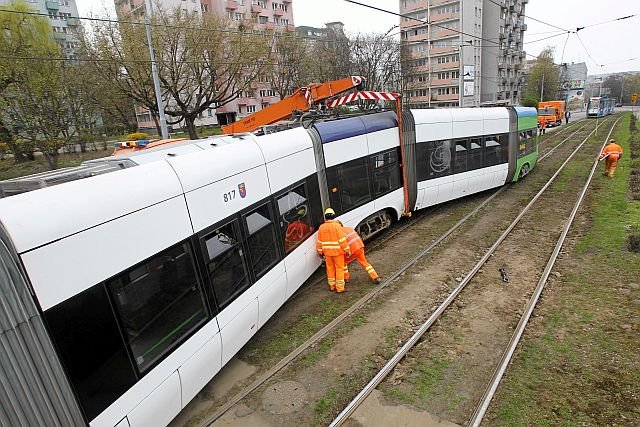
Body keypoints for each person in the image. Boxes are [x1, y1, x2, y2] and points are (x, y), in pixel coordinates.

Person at [316, 208, 350, 292]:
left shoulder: (321, 227)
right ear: (334, 216)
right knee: (339, 269)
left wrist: (320, 252)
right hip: (338, 252)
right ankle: (340, 288)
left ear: (325, 217)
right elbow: (342, 241)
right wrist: (347, 250)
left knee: (330, 268)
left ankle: (332, 286)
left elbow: (319, 241)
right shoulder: (337, 226)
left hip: (327, 253)